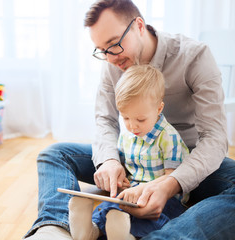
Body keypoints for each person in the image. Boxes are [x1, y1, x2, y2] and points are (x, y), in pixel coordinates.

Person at [24, 0, 235, 239]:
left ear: (138, 26)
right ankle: (54, 229)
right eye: (103, 51)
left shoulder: (194, 56)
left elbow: (214, 138)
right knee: (54, 154)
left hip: (186, 158)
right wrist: (109, 160)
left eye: (114, 44)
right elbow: (105, 120)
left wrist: (170, 184)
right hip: (131, 156)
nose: (111, 58)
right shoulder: (113, 62)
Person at [68, 64, 189, 240]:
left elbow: (173, 178)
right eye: (125, 118)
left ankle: (125, 234)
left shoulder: (169, 137)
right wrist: (121, 180)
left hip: (162, 195)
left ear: (159, 109)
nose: (132, 125)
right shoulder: (128, 135)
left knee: (149, 217)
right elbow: (128, 168)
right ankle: (92, 230)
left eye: (140, 119)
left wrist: (142, 189)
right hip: (132, 193)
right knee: (111, 208)